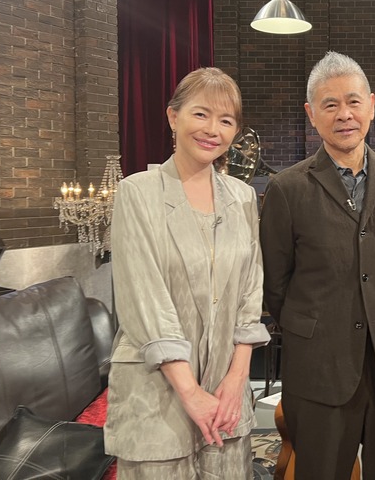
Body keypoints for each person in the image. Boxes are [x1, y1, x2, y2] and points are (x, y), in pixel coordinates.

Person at [260, 51, 375, 480]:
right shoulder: (286, 189)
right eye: (330, 104)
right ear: (311, 114)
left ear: (371, 105)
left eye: (353, 102)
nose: (344, 114)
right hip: (319, 369)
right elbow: (275, 285)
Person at [104, 67, 270, 480]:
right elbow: (144, 298)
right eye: (201, 114)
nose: (212, 129)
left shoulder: (242, 196)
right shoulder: (138, 192)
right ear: (173, 116)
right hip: (157, 396)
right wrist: (190, 392)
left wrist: (237, 379)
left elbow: (251, 291)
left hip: (226, 396)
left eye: (226, 120)